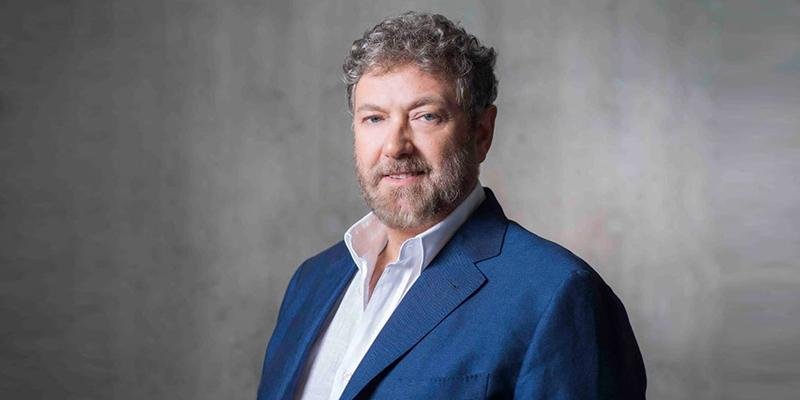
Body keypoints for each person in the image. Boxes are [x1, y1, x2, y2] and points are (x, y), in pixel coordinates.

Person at [257, 11, 646, 400]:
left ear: (481, 133)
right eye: (374, 118)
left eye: (426, 116)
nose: (395, 146)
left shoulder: (557, 294)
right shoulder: (311, 282)